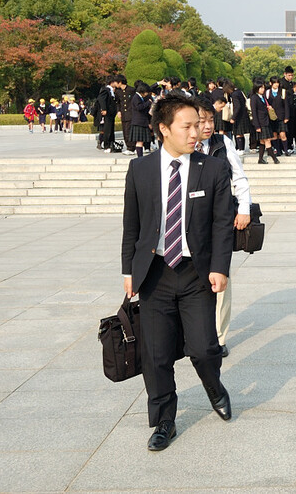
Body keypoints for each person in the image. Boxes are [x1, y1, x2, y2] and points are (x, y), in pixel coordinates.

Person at [121, 94, 234, 451]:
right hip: (154, 273)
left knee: (203, 348)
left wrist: (219, 267)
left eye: (198, 125)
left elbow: (221, 224)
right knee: (156, 356)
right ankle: (163, 421)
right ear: (163, 129)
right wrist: (128, 270)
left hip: (194, 272)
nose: (196, 132)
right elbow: (132, 226)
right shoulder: (140, 170)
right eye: (187, 126)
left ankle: (214, 386)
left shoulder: (212, 167)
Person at [197, 100, 252, 357]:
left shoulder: (223, 143)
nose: (208, 126)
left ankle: (218, 338)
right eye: (201, 121)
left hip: (219, 223)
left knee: (221, 278)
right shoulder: (178, 147)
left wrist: (244, 209)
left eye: (210, 120)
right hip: (189, 226)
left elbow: (239, 177)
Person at [250, 81, 278, 164]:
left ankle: (260, 159)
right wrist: (257, 126)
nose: (263, 89)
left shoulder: (263, 97)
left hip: (266, 121)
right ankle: (274, 158)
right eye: (261, 88)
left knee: (263, 141)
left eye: (263, 88)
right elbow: (254, 112)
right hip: (260, 122)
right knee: (267, 140)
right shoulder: (254, 98)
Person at [128, 83, 154, 158]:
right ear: (142, 91)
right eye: (146, 92)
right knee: (139, 141)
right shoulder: (136, 97)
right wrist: (148, 103)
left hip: (142, 121)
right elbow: (139, 107)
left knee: (141, 141)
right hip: (138, 122)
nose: (146, 94)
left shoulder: (140, 97)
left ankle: (140, 157)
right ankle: (140, 157)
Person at [98, 76, 120, 152]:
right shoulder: (105, 90)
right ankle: (106, 145)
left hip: (112, 112)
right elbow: (101, 99)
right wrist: (104, 109)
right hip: (107, 112)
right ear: (111, 82)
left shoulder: (112, 90)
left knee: (111, 128)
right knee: (107, 129)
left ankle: (111, 144)